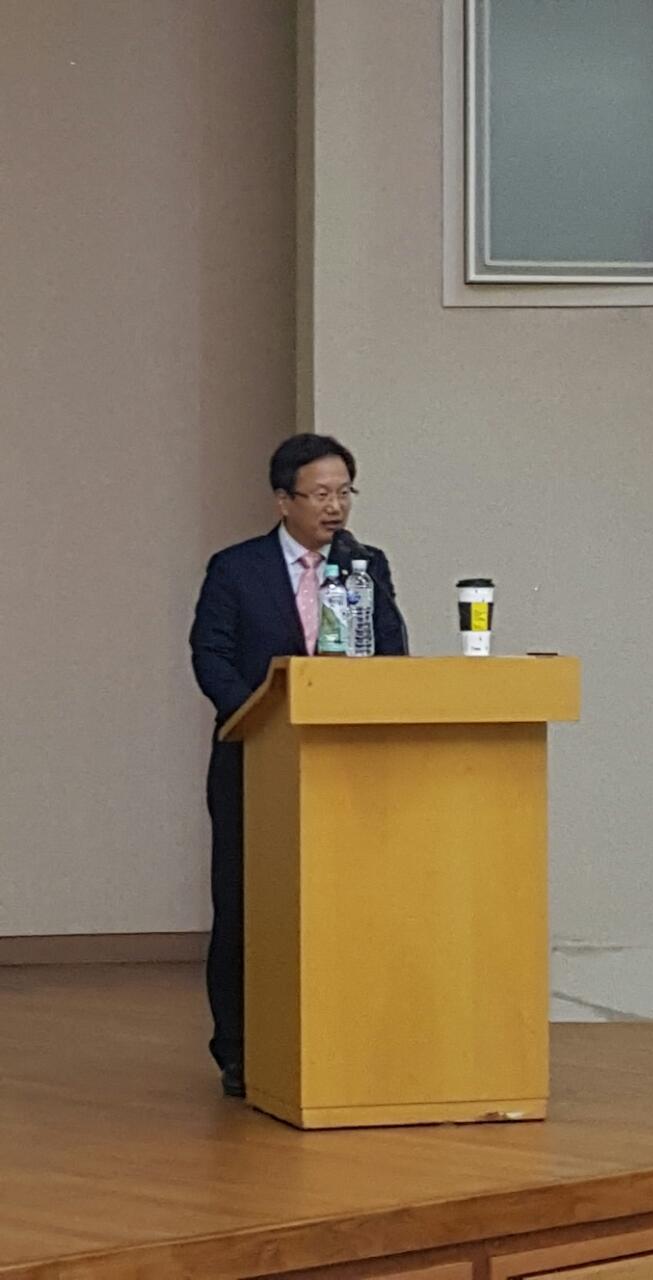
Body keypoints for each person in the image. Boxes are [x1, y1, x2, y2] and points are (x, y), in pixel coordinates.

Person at [189, 433, 407, 1097]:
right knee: (246, 904)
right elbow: (209, 655)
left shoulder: (365, 565)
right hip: (254, 759)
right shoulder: (236, 568)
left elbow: (391, 650)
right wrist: (257, 717)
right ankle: (240, 1049)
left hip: (342, 765)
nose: (335, 507)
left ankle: (341, 1038)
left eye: (344, 492)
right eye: (320, 494)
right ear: (284, 500)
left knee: (342, 904)